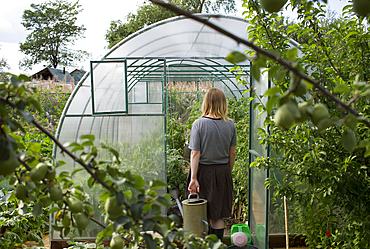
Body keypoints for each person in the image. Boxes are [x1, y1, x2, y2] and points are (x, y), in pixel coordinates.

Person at [186, 88, 237, 241]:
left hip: (203, 173)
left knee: (199, 212)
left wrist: (193, 178)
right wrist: (227, 172)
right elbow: (232, 153)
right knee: (218, 215)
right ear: (223, 103)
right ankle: (217, 245)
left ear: (206, 102)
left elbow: (195, 153)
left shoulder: (198, 124)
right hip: (222, 172)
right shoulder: (230, 125)